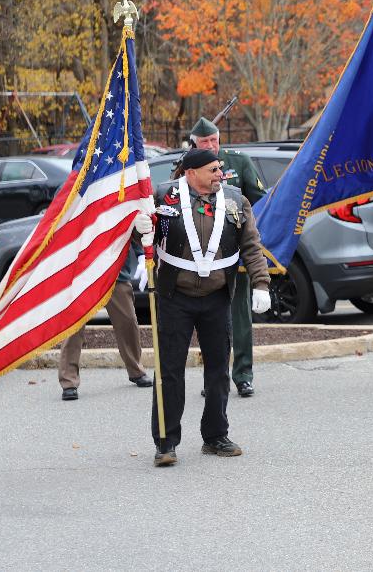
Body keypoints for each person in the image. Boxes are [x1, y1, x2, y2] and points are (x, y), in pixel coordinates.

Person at [135, 148, 272, 467]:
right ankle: (166, 442)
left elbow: (251, 245)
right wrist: (138, 229)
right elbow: (141, 238)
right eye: (213, 170)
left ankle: (215, 436)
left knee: (218, 370)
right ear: (190, 173)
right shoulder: (163, 197)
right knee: (169, 370)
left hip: (217, 296)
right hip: (175, 296)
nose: (219, 175)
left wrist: (262, 284)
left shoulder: (236, 200)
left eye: (220, 169)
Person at [186, 117, 267, 397]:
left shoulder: (238, 162)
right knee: (208, 324)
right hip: (201, 258)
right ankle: (213, 378)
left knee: (240, 319)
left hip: (235, 255)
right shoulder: (187, 166)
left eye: (214, 140)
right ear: (194, 145)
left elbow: (260, 201)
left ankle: (243, 375)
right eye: (204, 142)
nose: (211, 146)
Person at [58, 242, 153, 400]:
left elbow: (133, 230)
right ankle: (69, 381)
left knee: (128, 322)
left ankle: (136, 370)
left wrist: (142, 254)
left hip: (115, 271)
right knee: (73, 328)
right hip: (81, 272)